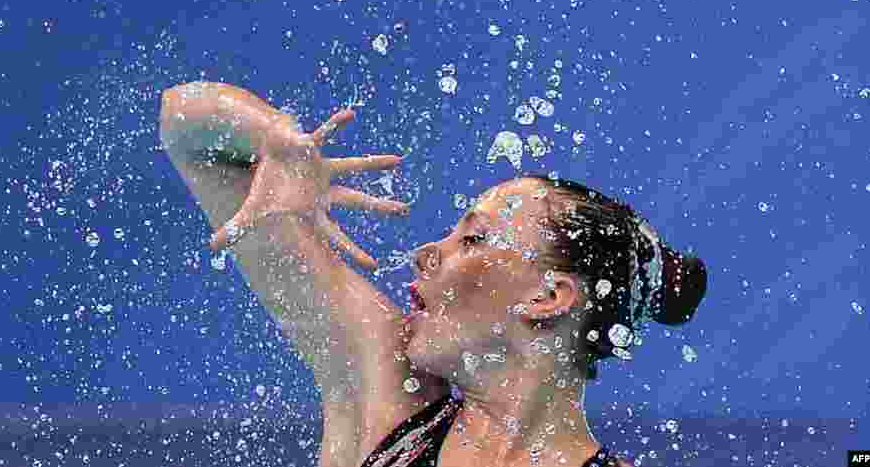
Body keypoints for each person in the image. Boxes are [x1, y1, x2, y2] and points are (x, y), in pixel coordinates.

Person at [159, 82, 707, 467]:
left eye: (473, 238)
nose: (428, 253)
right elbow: (185, 121)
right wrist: (273, 137)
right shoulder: (389, 401)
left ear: (548, 296)